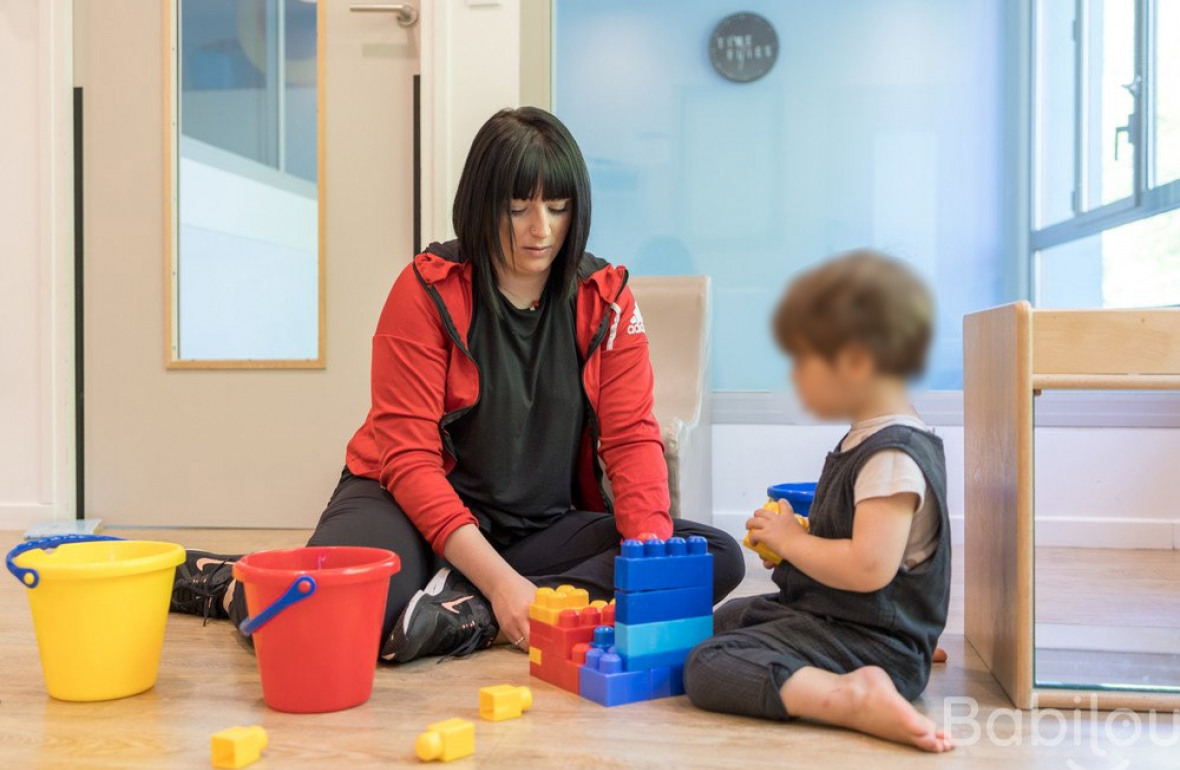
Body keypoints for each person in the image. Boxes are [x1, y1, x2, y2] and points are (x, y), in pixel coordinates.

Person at [170, 107, 744, 662]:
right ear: (481, 204)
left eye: (558, 206)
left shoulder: (606, 299)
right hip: (404, 505)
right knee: (338, 611)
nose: (540, 229)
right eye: (518, 207)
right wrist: (502, 583)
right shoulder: (425, 290)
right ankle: (227, 581)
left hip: (532, 528)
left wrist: (651, 569)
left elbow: (630, 440)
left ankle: (465, 611)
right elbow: (410, 461)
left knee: (710, 558)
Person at [682, 250, 954, 753]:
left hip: (867, 637)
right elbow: (867, 545)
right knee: (712, 625)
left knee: (706, 664)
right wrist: (802, 536)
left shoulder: (892, 455)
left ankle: (849, 693)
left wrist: (793, 541)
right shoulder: (867, 438)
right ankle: (900, 649)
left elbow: (869, 568)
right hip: (847, 622)